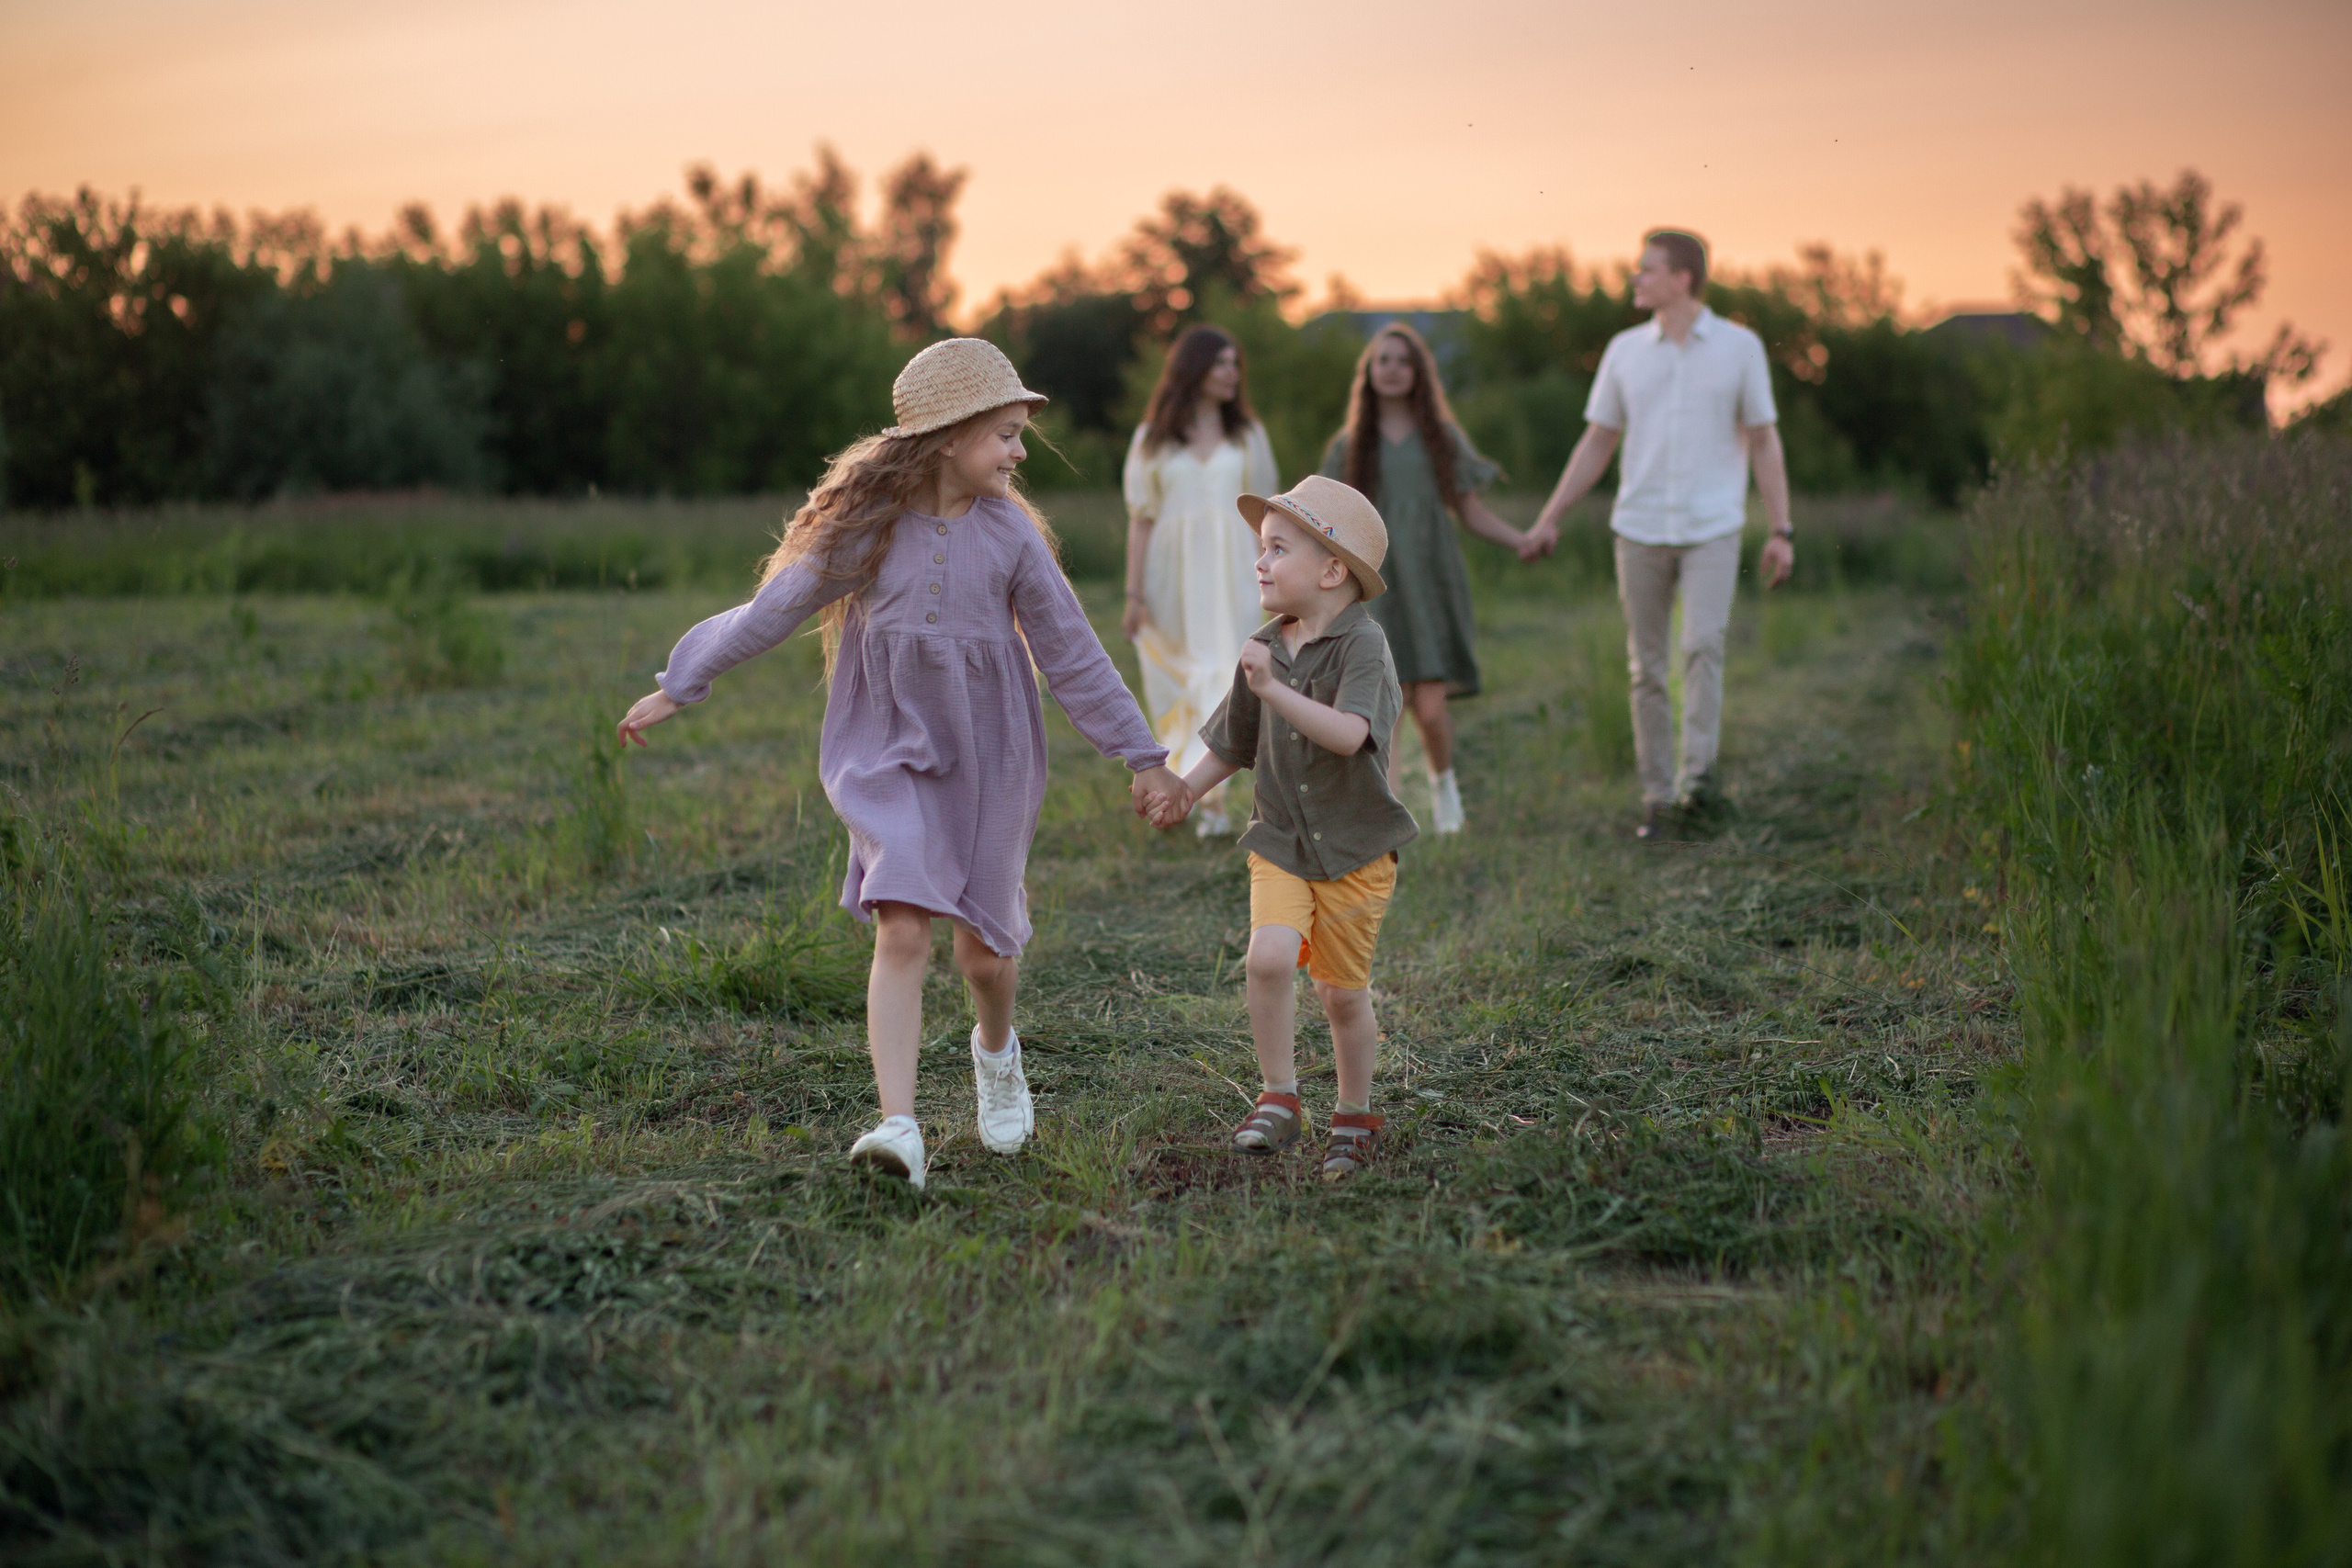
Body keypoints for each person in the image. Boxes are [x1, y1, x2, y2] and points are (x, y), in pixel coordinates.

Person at [616, 339, 1183, 1190]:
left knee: (984, 954)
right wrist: (683, 680)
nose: (1021, 452)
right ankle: (898, 1124)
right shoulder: (868, 529)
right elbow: (774, 606)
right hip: (885, 749)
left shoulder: (1012, 540)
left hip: (991, 756)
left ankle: (997, 1052)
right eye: (1006, 434)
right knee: (903, 920)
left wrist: (1141, 755)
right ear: (950, 437)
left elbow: (1072, 652)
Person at [1145, 476, 1418, 1182]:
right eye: (1260, 549)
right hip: (1282, 842)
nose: (1259, 563)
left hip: (1355, 850)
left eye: (1277, 549)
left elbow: (1349, 734)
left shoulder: (1364, 647)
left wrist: (1275, 689)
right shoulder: (1265, 646)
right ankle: (1280, 1095)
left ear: (1332, 570)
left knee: (1340, 993)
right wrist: (1183, 788)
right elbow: (1234, 743)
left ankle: (1354, 1114)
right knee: (1267, 959)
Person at [1521, 229, 1794, 838]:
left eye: (1648, 270)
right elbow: (1597, 440)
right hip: (1638, 527)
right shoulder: (1624, 351)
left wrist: (1782, 528)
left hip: (1712, 528)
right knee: (1645, 666)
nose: (1636, 279)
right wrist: (1550, 517)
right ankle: (1657, 798)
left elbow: (1764, 439)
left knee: (1701, 646)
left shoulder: (1739, 347)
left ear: (1684, 279)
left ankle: (1698, 789)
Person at [1319, 323, 1529, 835]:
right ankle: (1385, 814)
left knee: (1431, 707)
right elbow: (1324, 524)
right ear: (1368, 374)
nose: (1392, 368)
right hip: (1374, 585)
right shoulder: (1349, 446)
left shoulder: (1441, 438)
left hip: (1431, 579)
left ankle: (1443, 786)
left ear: (1418, 373)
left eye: (1402, 361)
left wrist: (1521, 540)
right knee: (1380, 704)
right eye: (1382, 360)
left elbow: (1471, 512)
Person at [1120, 326, 1282, 835]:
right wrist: (1133, 593)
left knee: (1228, 671)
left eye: (1235, 364)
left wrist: (1277, 576)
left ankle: (1210, 800)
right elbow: (1141, 517)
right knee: (1187, 678)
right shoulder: (1152, 440)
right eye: (1220, 364)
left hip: (1236, 569)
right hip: (1173, 576)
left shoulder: (1247, 436)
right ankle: (1189, 791)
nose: (1232, 373)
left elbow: (1268, 515)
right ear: (1193, 370)